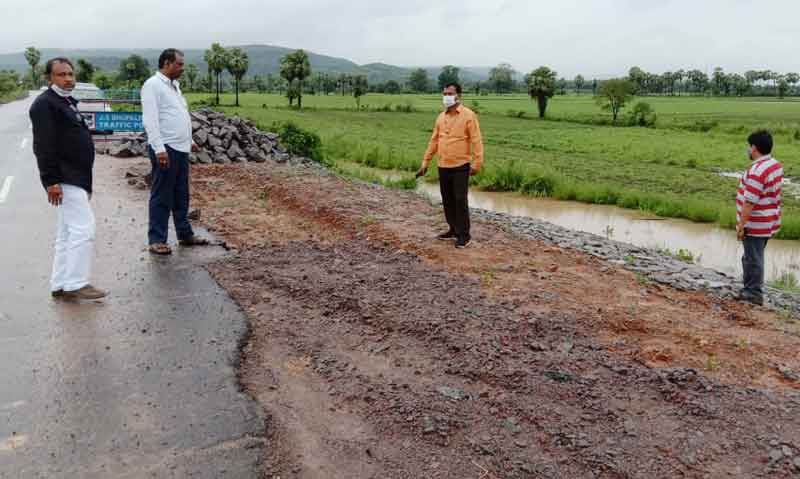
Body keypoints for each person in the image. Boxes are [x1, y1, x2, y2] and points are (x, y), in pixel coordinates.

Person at [29, 58, 108, 301]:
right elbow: (43, 146)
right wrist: (50, 181)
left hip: (76, 176)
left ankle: (60, 283)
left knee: (66, 233)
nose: (68, 79)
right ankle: (76, 282)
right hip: (65, 176)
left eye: (71, 74)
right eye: (61, 75)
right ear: (49, 78)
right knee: (84, 228)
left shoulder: (66, 101)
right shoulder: (44, 104)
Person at [141, 48, 208, 255]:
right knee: (162, 194)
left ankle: (185, 234)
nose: (182, 68)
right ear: (167, 63)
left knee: (181, 194)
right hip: (166, 148)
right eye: (179, 64)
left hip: (180, 147)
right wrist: (159, 149)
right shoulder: (153, 85)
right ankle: (156, 239)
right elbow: (150, 120)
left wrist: (190, 141)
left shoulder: (174, 86)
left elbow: (176, 116)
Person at [416, 82, 484, 248]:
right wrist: (425, 162)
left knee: (460, 200)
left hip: (461, 165)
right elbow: (434, 141)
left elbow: (476, 141)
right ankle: (453, 229)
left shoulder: (469, 116)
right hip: (443, 165)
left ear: (458, 96)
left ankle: (464, 235)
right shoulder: (441, 117)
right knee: (447, 200)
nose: (447, 97)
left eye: (450, 94)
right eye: (445, 94)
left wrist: (477, 163)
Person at [736, 130, 783, 306]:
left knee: (753, 258)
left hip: (755, 222)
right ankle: (749, 288)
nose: (748, 150)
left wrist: (741, 225)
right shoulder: (775, 164)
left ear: (754, 148)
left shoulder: (757, 171)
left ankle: (753, 293)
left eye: (749, 146)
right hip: (768, 220)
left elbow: (749, 202)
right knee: (752, 256)